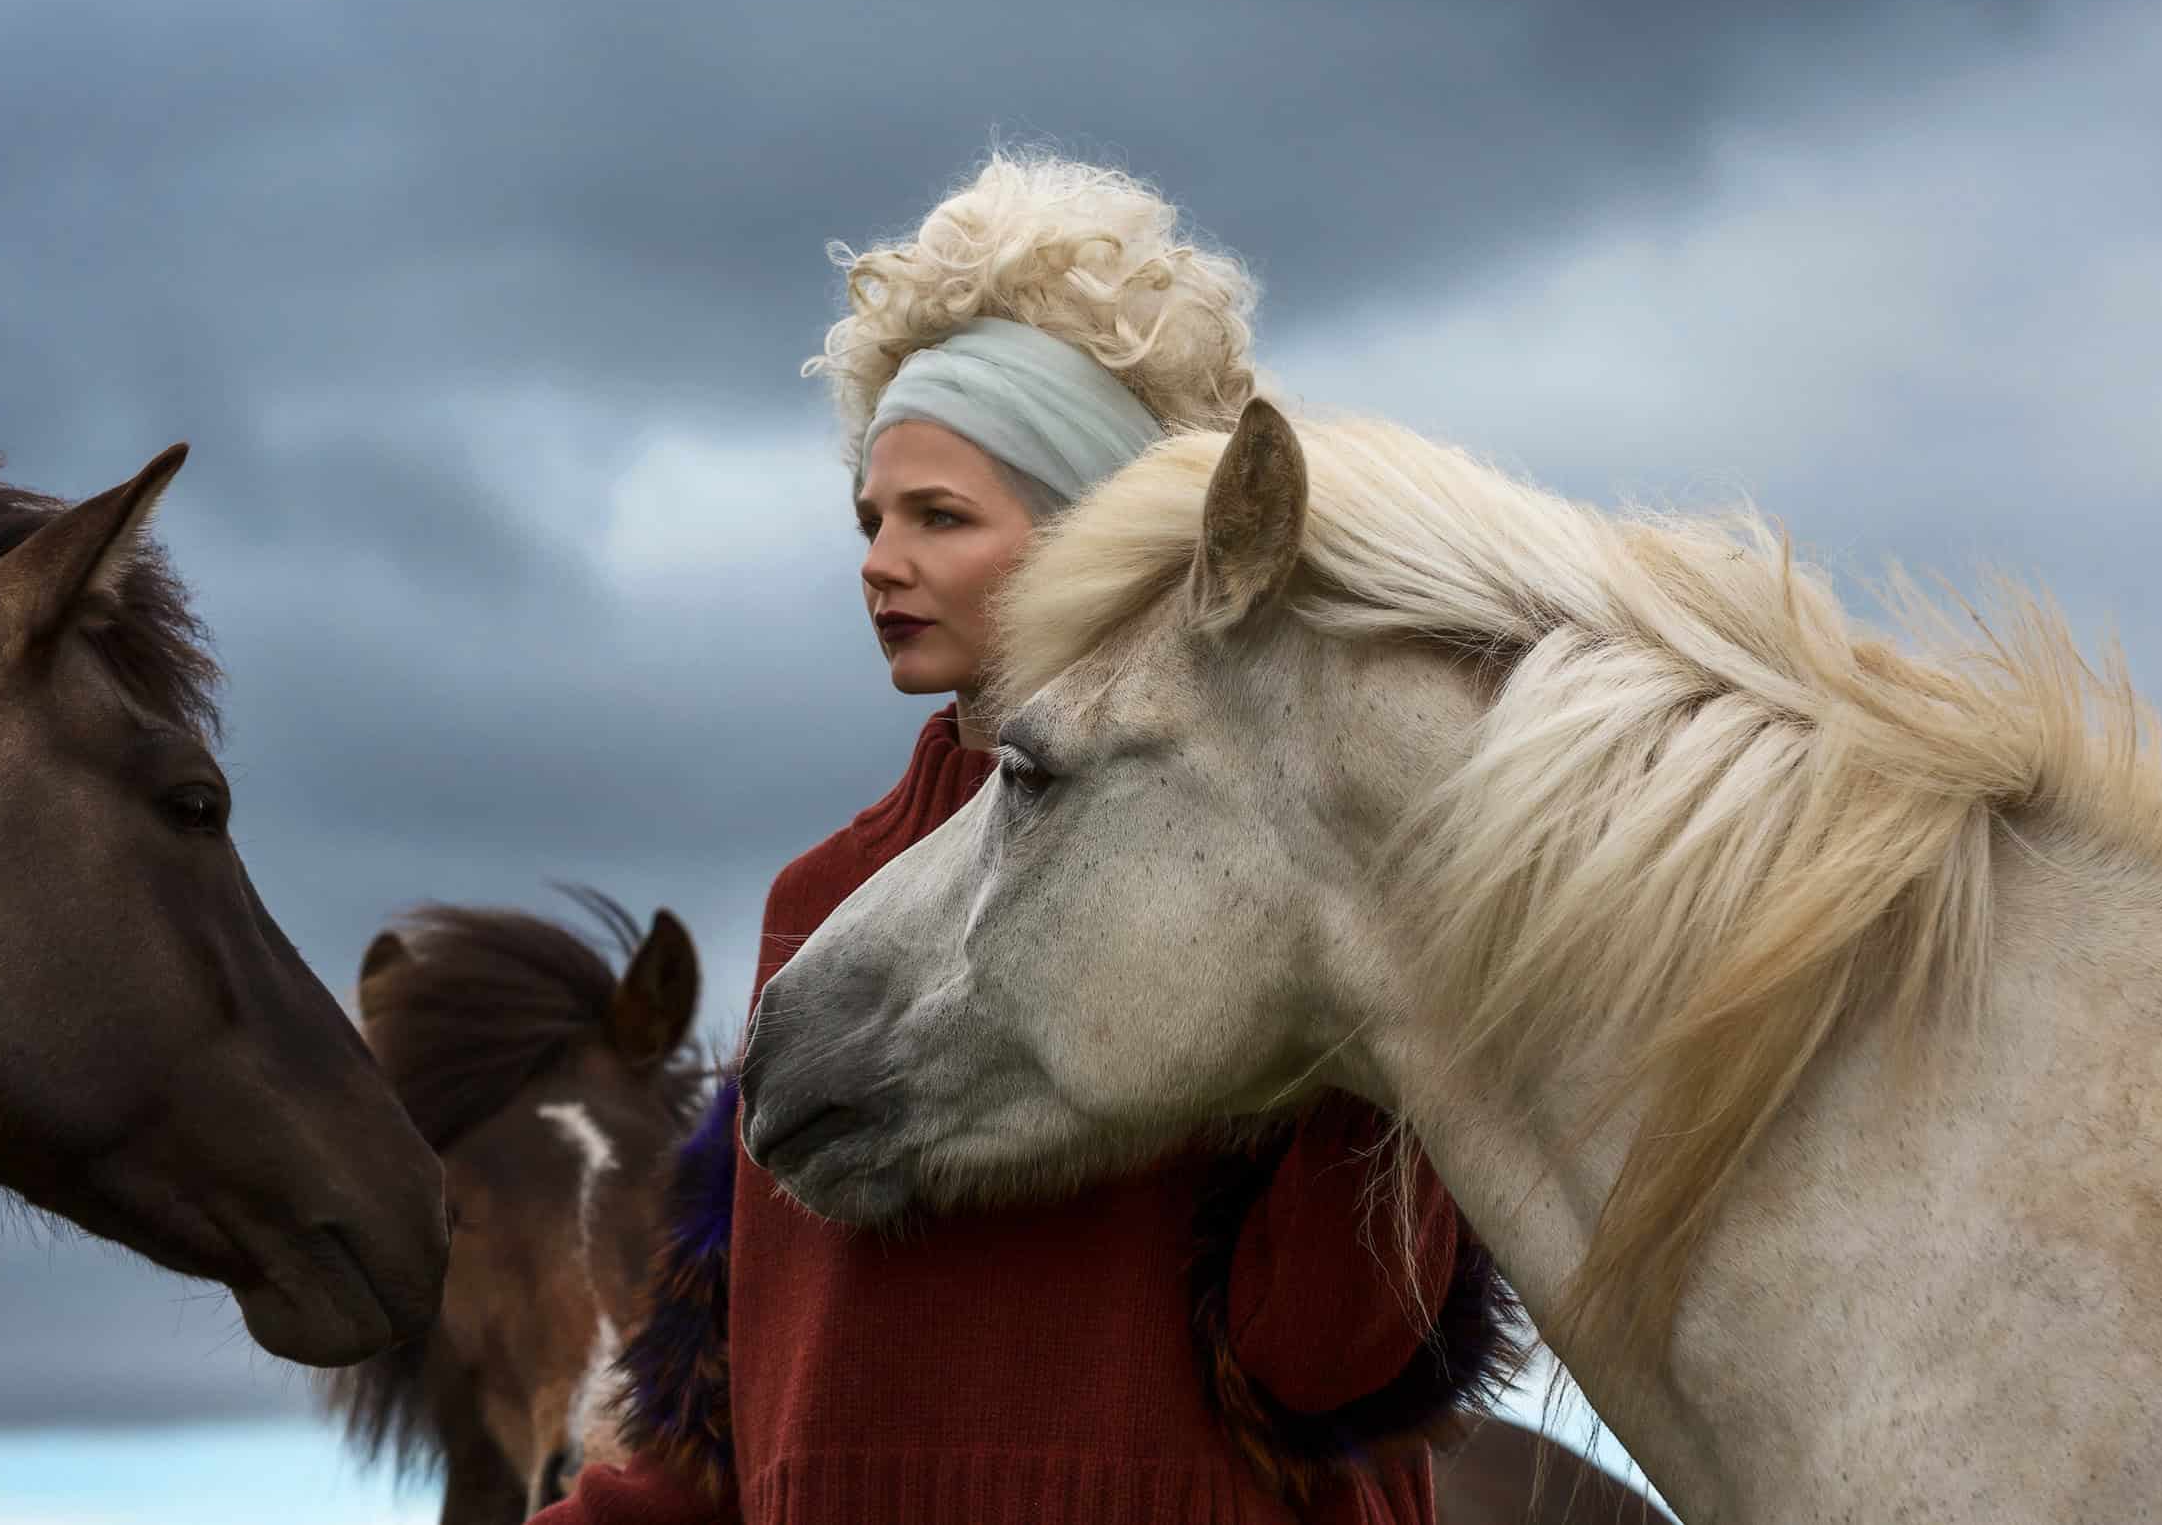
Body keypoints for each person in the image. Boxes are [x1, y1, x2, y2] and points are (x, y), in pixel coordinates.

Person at [537, 154, 1517, 1525]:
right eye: (871, 517)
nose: (881, 559)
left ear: (1091, 541)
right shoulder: (816, 900)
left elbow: (1336, 1364)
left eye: (941, 517)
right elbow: (714, 1416)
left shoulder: (1241, 872)